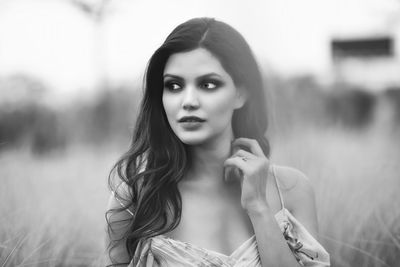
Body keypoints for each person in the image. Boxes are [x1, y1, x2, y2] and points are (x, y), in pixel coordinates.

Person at [105, 17, 330, 267]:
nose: (188, 101)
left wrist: (258, 207)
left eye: (208, 84)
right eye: (174, 85)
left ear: (241, 93)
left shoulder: (291, 189)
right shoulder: (136, 196)